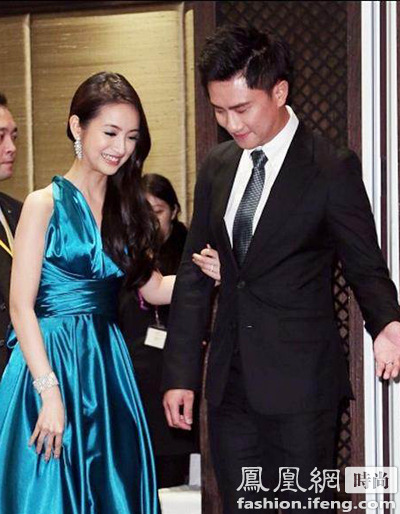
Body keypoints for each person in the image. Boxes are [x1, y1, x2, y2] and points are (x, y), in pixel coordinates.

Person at [162, 25, 400, 514]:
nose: (231, 123)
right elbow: (191, 274)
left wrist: (387, 323)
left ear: (279, 91)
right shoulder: (217, 166)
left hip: (301, 387)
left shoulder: (329, 167)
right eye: (219, 110)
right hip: (230, 388)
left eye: (241, 108)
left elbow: (364, 264)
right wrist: (181, 374)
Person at [0, 71, 218, 514]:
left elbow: (154, 289)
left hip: (105, 364)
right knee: (48, 491)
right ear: (77, 127)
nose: (121, 147)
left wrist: (207, 273)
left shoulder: (126, 209)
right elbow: (20, 307)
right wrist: (49, 392)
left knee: (113, 488)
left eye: (132, 137)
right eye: (111, 132)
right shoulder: (44, 204)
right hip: (49, 360)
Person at [119, 173, 198, 488]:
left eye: (158, 211)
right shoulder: (126, 250)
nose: (150, 221)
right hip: (134, 372)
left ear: (174, 210)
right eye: (142, 212)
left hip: (176, 371)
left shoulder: (192, 252)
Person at [0, 93, 21, 377]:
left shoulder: (19, 211)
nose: (11, 148)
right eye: (1, 137)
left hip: (16, 371)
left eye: (14, 136)